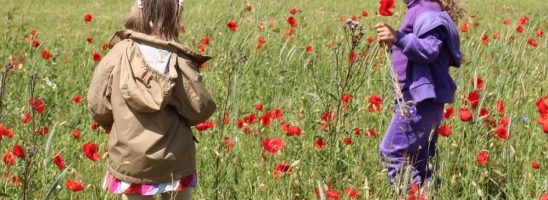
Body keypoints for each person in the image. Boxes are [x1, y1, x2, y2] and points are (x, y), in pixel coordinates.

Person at [87, 0, 215, 199]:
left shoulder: (117, 54)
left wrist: (116, 123)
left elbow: (97, 105)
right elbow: (200, 109)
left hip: (130, 161)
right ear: (174, 16)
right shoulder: (179, 60)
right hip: (175, 161)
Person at [375, 0, 464, 192]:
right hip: (420, 100)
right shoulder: (419, 8)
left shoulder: (426, 9)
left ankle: (414, 196)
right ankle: (427, 194)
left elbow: (430, 50)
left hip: (419, 101)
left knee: (392, 153)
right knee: (420, 164)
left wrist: (398, 37)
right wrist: (395, 44)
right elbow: (416, 49)